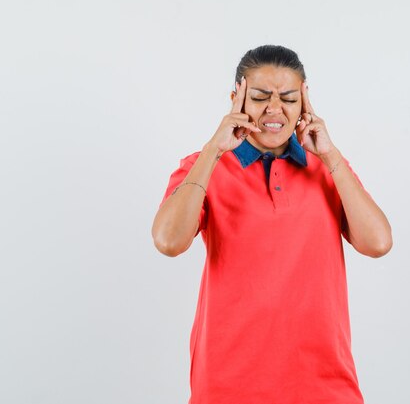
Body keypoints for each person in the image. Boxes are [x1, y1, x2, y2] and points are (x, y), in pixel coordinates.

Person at [152, 44, 392, 404]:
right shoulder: (202, 166)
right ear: (237, 99)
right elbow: (168, 240)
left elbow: (378, 243)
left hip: (325, 384)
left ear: (305, 101)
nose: (274, 109)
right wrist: (212, 152)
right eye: (261, 97)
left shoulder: (328, 167)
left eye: (289, 98)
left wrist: (329, 154)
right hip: (227, 384)